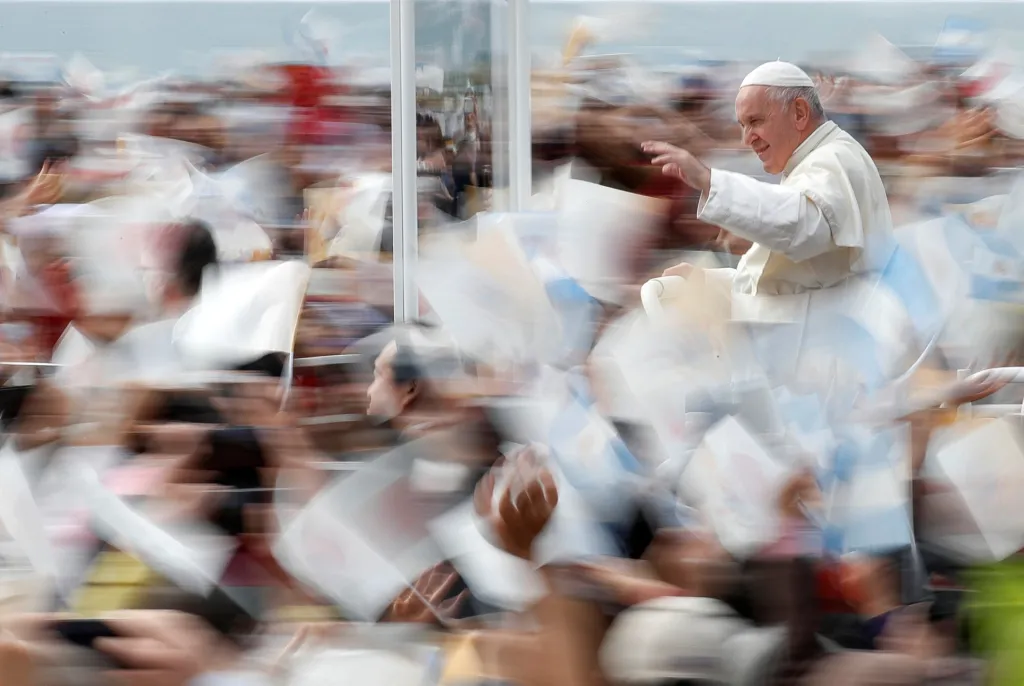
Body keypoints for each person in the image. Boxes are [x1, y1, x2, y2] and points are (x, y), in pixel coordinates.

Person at [644, 61, 893, 313]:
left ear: (799, 113)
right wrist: (707, 280)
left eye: (755, 121)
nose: (747, 139)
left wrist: (708, 180)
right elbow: (784, 287)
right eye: (742, 125)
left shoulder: (833, 158)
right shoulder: (814, 160)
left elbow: (803, 226)